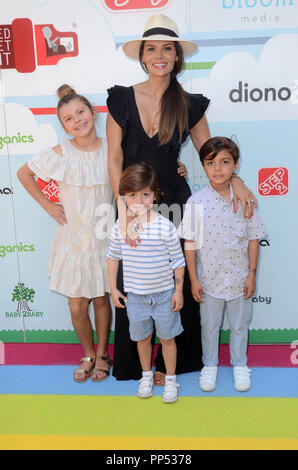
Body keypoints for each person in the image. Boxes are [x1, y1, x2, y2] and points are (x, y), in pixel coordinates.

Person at [106, 13, 257, 383]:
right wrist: (124, 208)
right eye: (153, 48)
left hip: (177, 202)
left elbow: (211, 150)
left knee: (178, 277)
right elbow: (113, 157)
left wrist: (234, 179)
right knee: (135, 279)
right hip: (133, 202)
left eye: (167, 49)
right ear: (143, 55)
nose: (160, 55)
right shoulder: (121, 99)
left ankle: (174, 364)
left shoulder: (188, 102)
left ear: (177, 56)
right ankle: (136, 365)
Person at [17, 84, 114, 383]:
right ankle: (86, 353)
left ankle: (102, 354)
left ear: (93, 113)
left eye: (81, 112)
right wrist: (48, 206)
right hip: (73, 240)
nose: (77, 120)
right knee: (76, 304)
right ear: (64, 127)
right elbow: (24, 173)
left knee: (100, 300)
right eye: (69, 119)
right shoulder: (62, 153)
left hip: (103, 238)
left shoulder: (113, 149)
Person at [178, 137, 267, 392]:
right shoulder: (196, 201)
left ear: (235, 165)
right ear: (204, 166)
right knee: (209, 326)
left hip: (240, 280)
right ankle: (210, 366)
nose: (218, 169)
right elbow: (190, 243)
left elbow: (253, 239)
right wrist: (194, 279)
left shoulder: (246, 200)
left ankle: (240, 365)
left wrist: (251, 275)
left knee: (240, 325)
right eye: (211, 163)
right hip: (209, 280)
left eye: (225, 162)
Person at [107, 162, 185, 402]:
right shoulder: (120, 229)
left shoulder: (165, 226)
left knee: (167, 338)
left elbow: (178, 261)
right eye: (132, 195)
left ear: (155, 195)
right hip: (136, 297)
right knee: (142, 339)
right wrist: (113, 289)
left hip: (164, 294)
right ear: (124, 197)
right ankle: (146, 376)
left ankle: (171, 379)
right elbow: (112, 258)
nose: (139, 200)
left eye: (145, 194)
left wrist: (178, 290)